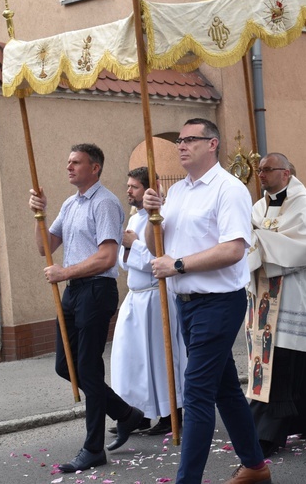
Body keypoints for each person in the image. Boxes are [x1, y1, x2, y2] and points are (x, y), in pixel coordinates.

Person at [142, 118, 271, 484]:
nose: (181, 145)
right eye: (179, 140)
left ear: (212, 144)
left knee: (196, 391)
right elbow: (159, 250)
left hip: (218, 302)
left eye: (190, 140)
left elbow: (233, 250)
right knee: (224, 387)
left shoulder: (228, 189)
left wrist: (179, 265)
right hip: (187, 303)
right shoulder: (178, 192)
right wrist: (153, 216)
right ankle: (256, 467)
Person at [28, 143, 143, 472]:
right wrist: (40, 214)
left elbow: (108, 257)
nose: (69, 167)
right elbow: (46, 247)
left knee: (89, 370)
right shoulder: (69, 204)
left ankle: (93, 449)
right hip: (74, 291)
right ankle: (126, 413)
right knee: (66, 366)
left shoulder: (105, 203)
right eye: (68, 162)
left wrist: (64, 271)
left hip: (96, 289)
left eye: (76, 162)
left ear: (95, 168)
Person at [248, 153, 306, 457]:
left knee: (279, 360)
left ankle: (265, 435)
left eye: (266, 169)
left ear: (285, 173)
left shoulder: (303, 204)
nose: (260, 174)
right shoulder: (259, 206)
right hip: (264, 292)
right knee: (292, 358)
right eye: (259, 170)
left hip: (293, 293)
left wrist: (260, 241)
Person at [108, 167, 186, 445]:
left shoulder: (158, 219)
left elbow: (158, 258)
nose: (129, 190)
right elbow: (124, 262)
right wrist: (129, 246)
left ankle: (169, 414)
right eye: (128, 186)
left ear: (149, 189)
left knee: (158, 359)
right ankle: (136, 413)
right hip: (135, 297)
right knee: (132, 360)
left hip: (156, 297)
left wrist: (136, 244)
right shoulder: (134, 220)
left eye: (135, 187)